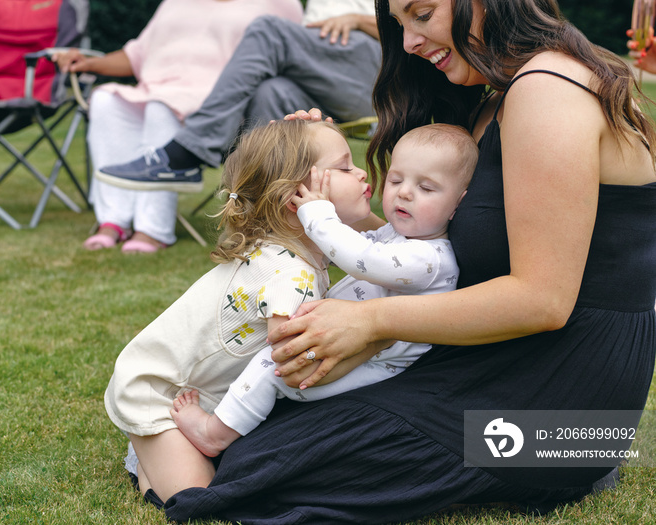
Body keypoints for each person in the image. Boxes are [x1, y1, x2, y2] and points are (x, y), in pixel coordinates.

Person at [150, 1, 656, 524]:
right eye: (399, 24)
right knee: (258, 424)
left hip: (564, 400)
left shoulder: (549, 89)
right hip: (495, 361)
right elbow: (419, 249)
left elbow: (543, 299)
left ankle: (561, 464)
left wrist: (369, 321)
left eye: (422, 13)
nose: (409, 42)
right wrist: (312, 160)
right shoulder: (495, 102)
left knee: (260, 463)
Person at [104, 119, 376, 503]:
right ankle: (146, 451)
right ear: (293, 200)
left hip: (197, 388)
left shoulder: (295, 246)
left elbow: (376, 251)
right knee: (196, 496)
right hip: (157, 391)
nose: (361, 171)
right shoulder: (289, 274)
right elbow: (292, 361)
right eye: (345, 167)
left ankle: (156, 452)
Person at [168, 123, 478, 457]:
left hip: (372, 366)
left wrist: (317, 213)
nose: (404, 193)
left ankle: (214, 434)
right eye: (396, 179)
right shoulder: (400, 238)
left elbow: (361, 257)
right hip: (358, 350)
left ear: (458, 205)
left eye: (427, 188)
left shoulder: (431, 259)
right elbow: (360, 244)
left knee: (271, 367)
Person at [52, 0, 303, 252]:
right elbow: (137, 54)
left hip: (215, 107)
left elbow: (296, 56)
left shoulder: (279, 3)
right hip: (155, 88)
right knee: (106, 101)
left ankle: (152, 228)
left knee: (161, 108)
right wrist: (89, 63)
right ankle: (113, 220)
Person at [92, 0, 380, 192]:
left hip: (377, 74)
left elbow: (419, 17)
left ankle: (190, 150)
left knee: (268, 30)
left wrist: (357, 19)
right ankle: (259, 210)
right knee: (271, 91)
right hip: (324, 71)